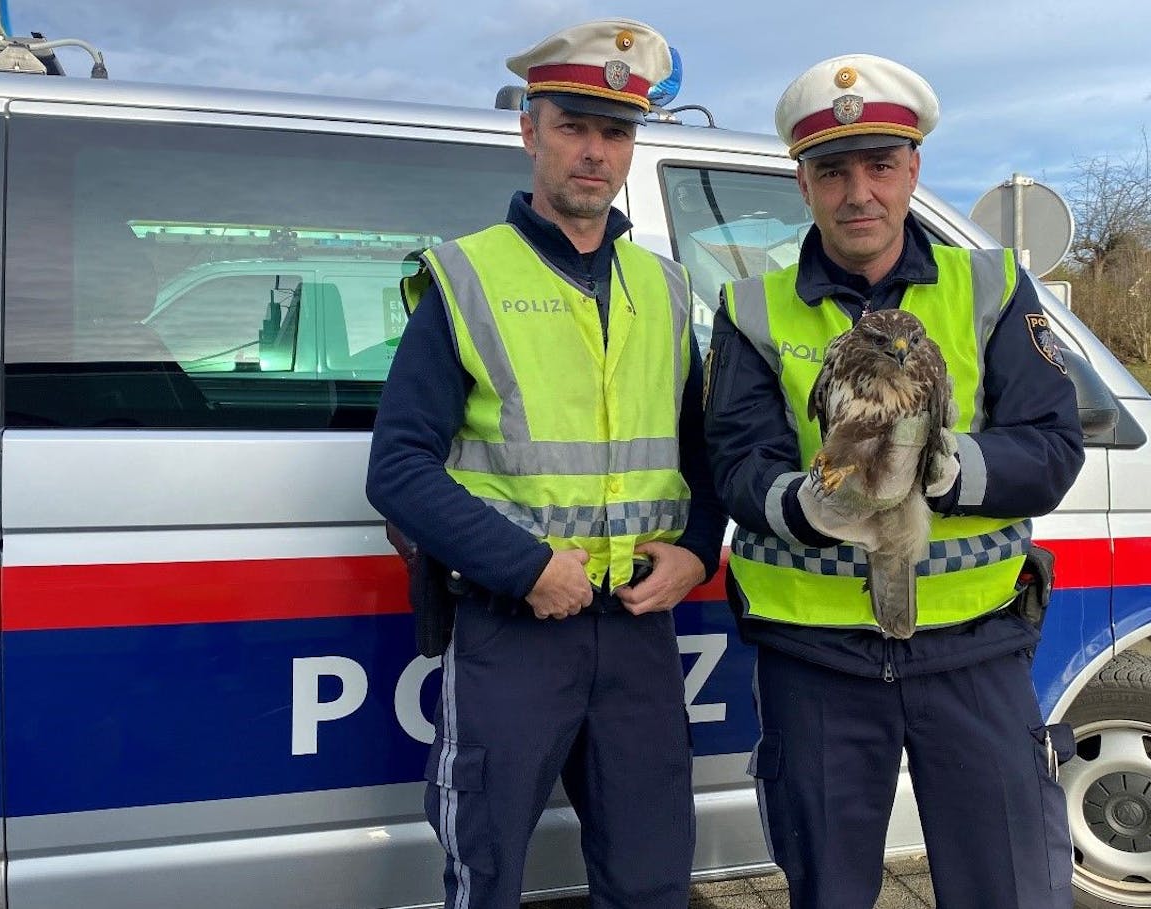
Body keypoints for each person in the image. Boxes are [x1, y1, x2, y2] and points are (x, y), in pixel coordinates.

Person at [703, 54, 1085, 909]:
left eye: (880, 166)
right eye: (832, 172)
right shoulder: (752, 308)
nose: (858, 193)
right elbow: (733, 465)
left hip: (975, 647)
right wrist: (805, 503)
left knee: (1009, 889)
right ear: (803, 185)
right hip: (816, 661)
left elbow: (1054, 448)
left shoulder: (988, 285)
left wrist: (949, 470)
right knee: (828, 890)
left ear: (914, 170)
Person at [365, 18, 724, 909]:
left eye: (616, 132)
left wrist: (700, 548)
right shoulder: (464, 278)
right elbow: (398, 468)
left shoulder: (667, 287)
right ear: (530, 130)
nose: (595, 153)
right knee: (484, 876)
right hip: (513, 630)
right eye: (573, 125)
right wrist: (524, 567)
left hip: (639, 632)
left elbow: (703, 451)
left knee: (651, 881)